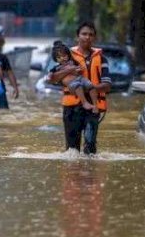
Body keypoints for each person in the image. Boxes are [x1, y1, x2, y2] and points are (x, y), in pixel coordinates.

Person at [47, 22, 112, 154]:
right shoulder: (65, 56)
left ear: (95, 38)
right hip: (71, 108)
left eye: (91, 35)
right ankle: (74, 174)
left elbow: (107, 85)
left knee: (90, 147)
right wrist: (69, 70)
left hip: (93, 109)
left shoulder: (102, 59)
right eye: (84, 34)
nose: (87, 37)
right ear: (78, 36)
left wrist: (85, 88)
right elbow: (52, 79)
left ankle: (89, 174)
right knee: (72, 150)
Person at [49, 41, 99, 114]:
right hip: (73, 83)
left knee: (91, 86)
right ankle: (84, 102)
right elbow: (51, 75)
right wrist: (50, 75)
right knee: (77, 86)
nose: (62, 58)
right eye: (59, 57)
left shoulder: (73, 62)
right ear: (55, 59)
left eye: (64, 56)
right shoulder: (57, 68)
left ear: (68, 55)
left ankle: (95, 105)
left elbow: (80, 68)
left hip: (81, 79)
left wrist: (78, 70)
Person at [0, 25, 19, 109]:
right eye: (2, 36)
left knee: (2, 110)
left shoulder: (2, 57)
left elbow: (9, 72)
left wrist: (15, 87)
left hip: (0, 88)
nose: (4, 39)